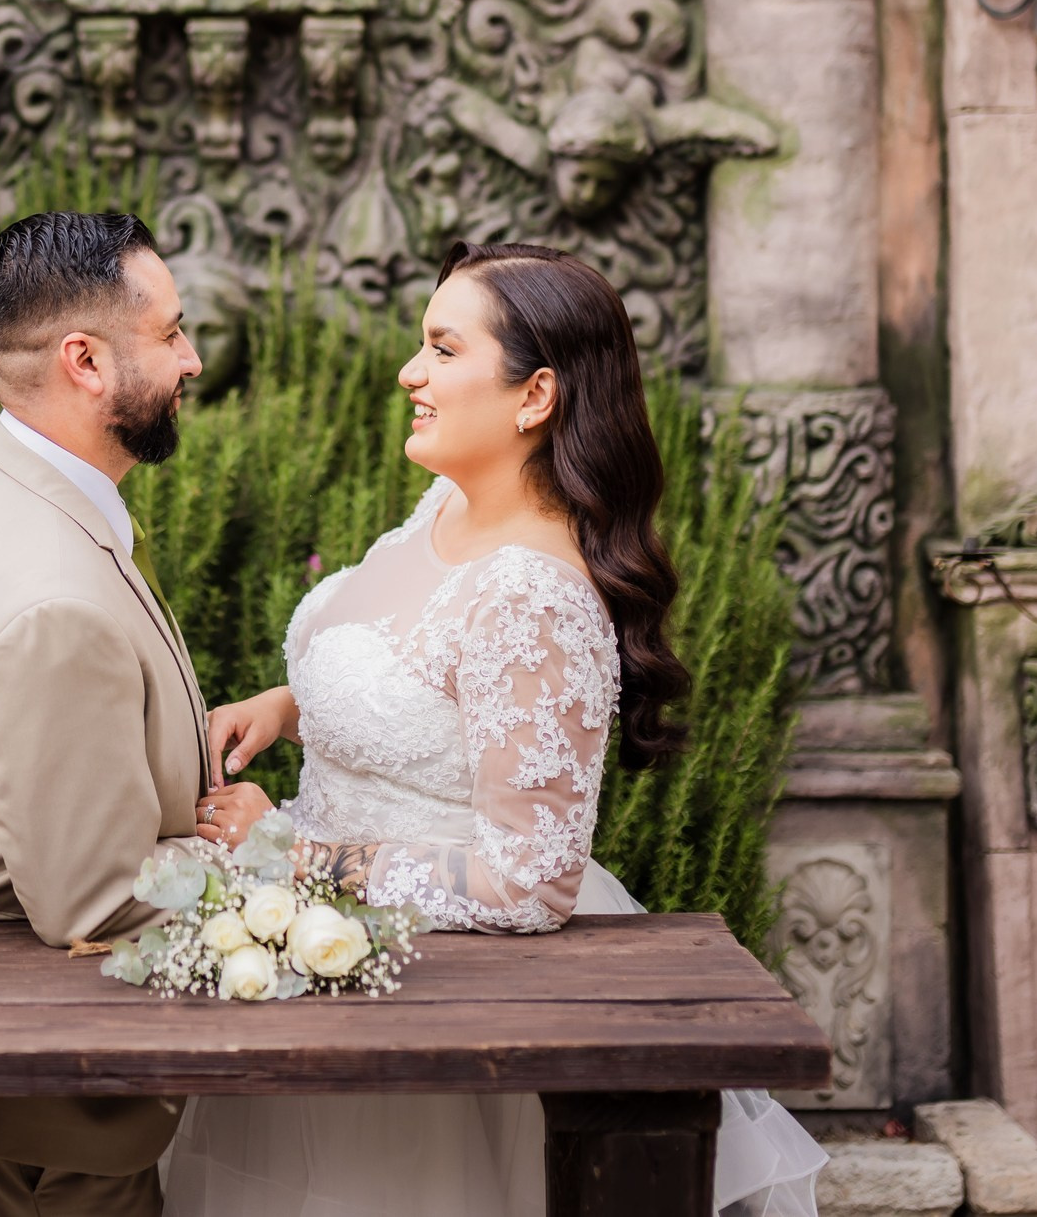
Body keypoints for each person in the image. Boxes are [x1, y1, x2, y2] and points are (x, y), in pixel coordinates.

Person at [165, 241, 826, 1217]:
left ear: (535, 395)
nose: (408, 371)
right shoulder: (448, 503)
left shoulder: (531, 595)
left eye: (440, 347)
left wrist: (300, 854)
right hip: (331, 956)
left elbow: (529, 883)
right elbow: (415, 660)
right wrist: (290, 699)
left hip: (443, 997)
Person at [0, 210, 273, 1217]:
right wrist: (280, 865)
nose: (189, 359)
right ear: (84, 360)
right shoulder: (51, 599)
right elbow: (97, 905)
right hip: (50, 1107)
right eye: (171, 331)